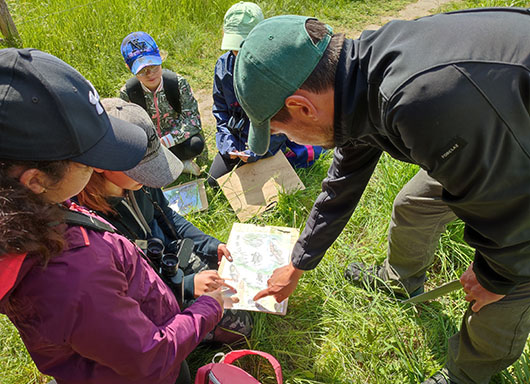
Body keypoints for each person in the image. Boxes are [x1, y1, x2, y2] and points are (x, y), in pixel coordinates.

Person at [232, 9, 530, 384]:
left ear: (302, 107)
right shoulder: (358, 80)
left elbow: (517, 214)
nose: (290, 141)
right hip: (499, 133)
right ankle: (400, 278)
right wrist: (299, 262)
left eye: (282, 132)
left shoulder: (417, 100)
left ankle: (467, 374)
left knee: (514, 273)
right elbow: (343, 180)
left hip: (516, 158)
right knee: (414, 204)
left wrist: (493, 275)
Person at [0, 48, 230, 384]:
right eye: (89, 159)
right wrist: (203, 304)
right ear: (35, 180)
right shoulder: (71, 277)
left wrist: (206, 252)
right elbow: (148, 358)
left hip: (154, 327)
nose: (99, 167)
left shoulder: (44, 207)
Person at [76, 98, 253, 344]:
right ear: (99, 164)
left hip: (169, 258)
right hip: (146, 291)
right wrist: (188, 286)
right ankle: (180, 338)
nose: (148, 177)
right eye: (141, 168)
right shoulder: (88, 222)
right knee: (236, 329)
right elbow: (126, 289)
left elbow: (167, 215)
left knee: (238, 305)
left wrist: (210, 245)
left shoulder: (139, 184)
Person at [208, 1, 324, 188]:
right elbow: (221, 111)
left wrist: (258, 150)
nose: (238, 53)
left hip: (270, 139)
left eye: (243, 46)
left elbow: (284, 119)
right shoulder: (222, 67)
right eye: (234, 46)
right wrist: (228, 146)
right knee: (214, 181)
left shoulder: (276, 66)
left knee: (296, 165)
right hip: (238, 140)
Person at [120, 31, 204, 176]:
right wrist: (150, 144)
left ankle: (169, 164)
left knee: (196, 144)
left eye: (154, 66)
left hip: (175, 138)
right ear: (129, 68)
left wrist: (167, 140)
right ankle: (177, 164)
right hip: (150, 143)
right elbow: (127, 129)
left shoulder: (178, 83)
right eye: (142, 70)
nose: (150, 74)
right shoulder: (128, 92)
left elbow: (193, 121)